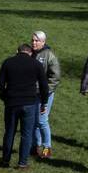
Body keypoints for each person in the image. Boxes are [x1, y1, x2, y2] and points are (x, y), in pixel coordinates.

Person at [0, 42, 49, 169]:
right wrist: (44, 102)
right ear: (30, 53)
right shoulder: (36, 64)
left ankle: (5, 160)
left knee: (9, 132)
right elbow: (44, 86)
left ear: (17, 51)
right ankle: (22, 163)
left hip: (12, 102)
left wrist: (5, 98)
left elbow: (0, 84)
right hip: (30, 103)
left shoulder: (8, 62)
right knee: (26, 134)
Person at [30, 30, 61, 160]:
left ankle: (47, 148)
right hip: (31, 93)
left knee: (42, 121)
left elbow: (55, 77)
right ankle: (35, 146)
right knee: (35, 121)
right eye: (32, 40)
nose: (34, 43)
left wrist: (46, 91)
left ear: (43, 42)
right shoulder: (30, 54)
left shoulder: (49, 56)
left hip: (44, 95)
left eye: (37, 41)